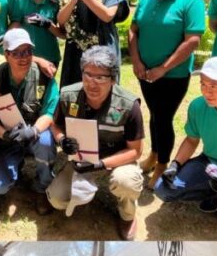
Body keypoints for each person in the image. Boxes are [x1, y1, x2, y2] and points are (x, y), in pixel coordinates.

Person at [48, 45, 145, 237]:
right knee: (57, 199)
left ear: (113, 79)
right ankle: (81, 194)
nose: (92, 83)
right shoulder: (68, 96)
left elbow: (135, 151)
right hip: (81, 160)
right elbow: (55, 125)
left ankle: (127, 215)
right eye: (88, 75)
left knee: (126, 182)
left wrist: (100, 164)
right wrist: (62, 139)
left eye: (101, 77)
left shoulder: (128, 105)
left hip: (116, 162)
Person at [129, 0, 205, 187]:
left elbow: (192, 40)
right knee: (154, 115)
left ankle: (162, 164)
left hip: (173, 75)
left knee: (163, 118)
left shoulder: (190, 0)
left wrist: (163, 68)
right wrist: (137, 62)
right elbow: (134, 29)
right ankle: (153, 155)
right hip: (145, 72)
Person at [0, 28, 58, 212]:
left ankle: (42, 187)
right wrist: (5, 134)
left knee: (45, 141)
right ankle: (16, 166)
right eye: (17, 53)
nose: (24, 57)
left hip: (35, 134)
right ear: (6, 55)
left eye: (28, 51)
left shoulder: (45, 78)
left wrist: (34, 131)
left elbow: (49, 113)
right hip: (7, 138)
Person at [155, 56, 217, 216]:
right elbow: (191, 140)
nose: (206, 91)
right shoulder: (197, 106)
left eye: (214, 86)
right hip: (209, 161)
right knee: (163, 189)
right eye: (203, 84)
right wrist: (175, 164)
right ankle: (214, 191)